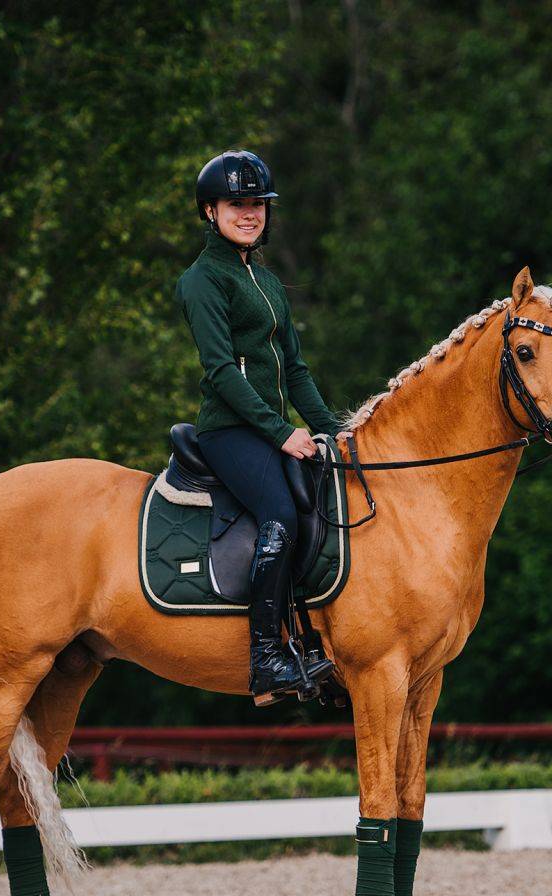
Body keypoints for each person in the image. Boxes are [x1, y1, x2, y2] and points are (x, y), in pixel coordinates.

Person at [175, 149, 342, 703]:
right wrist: (281, 432)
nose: (249, 214)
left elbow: (294, 369)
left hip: (273, 428)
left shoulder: (267, 282)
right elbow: (221, 371)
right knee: (280, 514)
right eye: (236, 204)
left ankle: (313, 641)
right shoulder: (202, 281)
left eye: (257, 205)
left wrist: (338, 429)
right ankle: (267, 657)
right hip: (229, 432)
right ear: (210, 212)